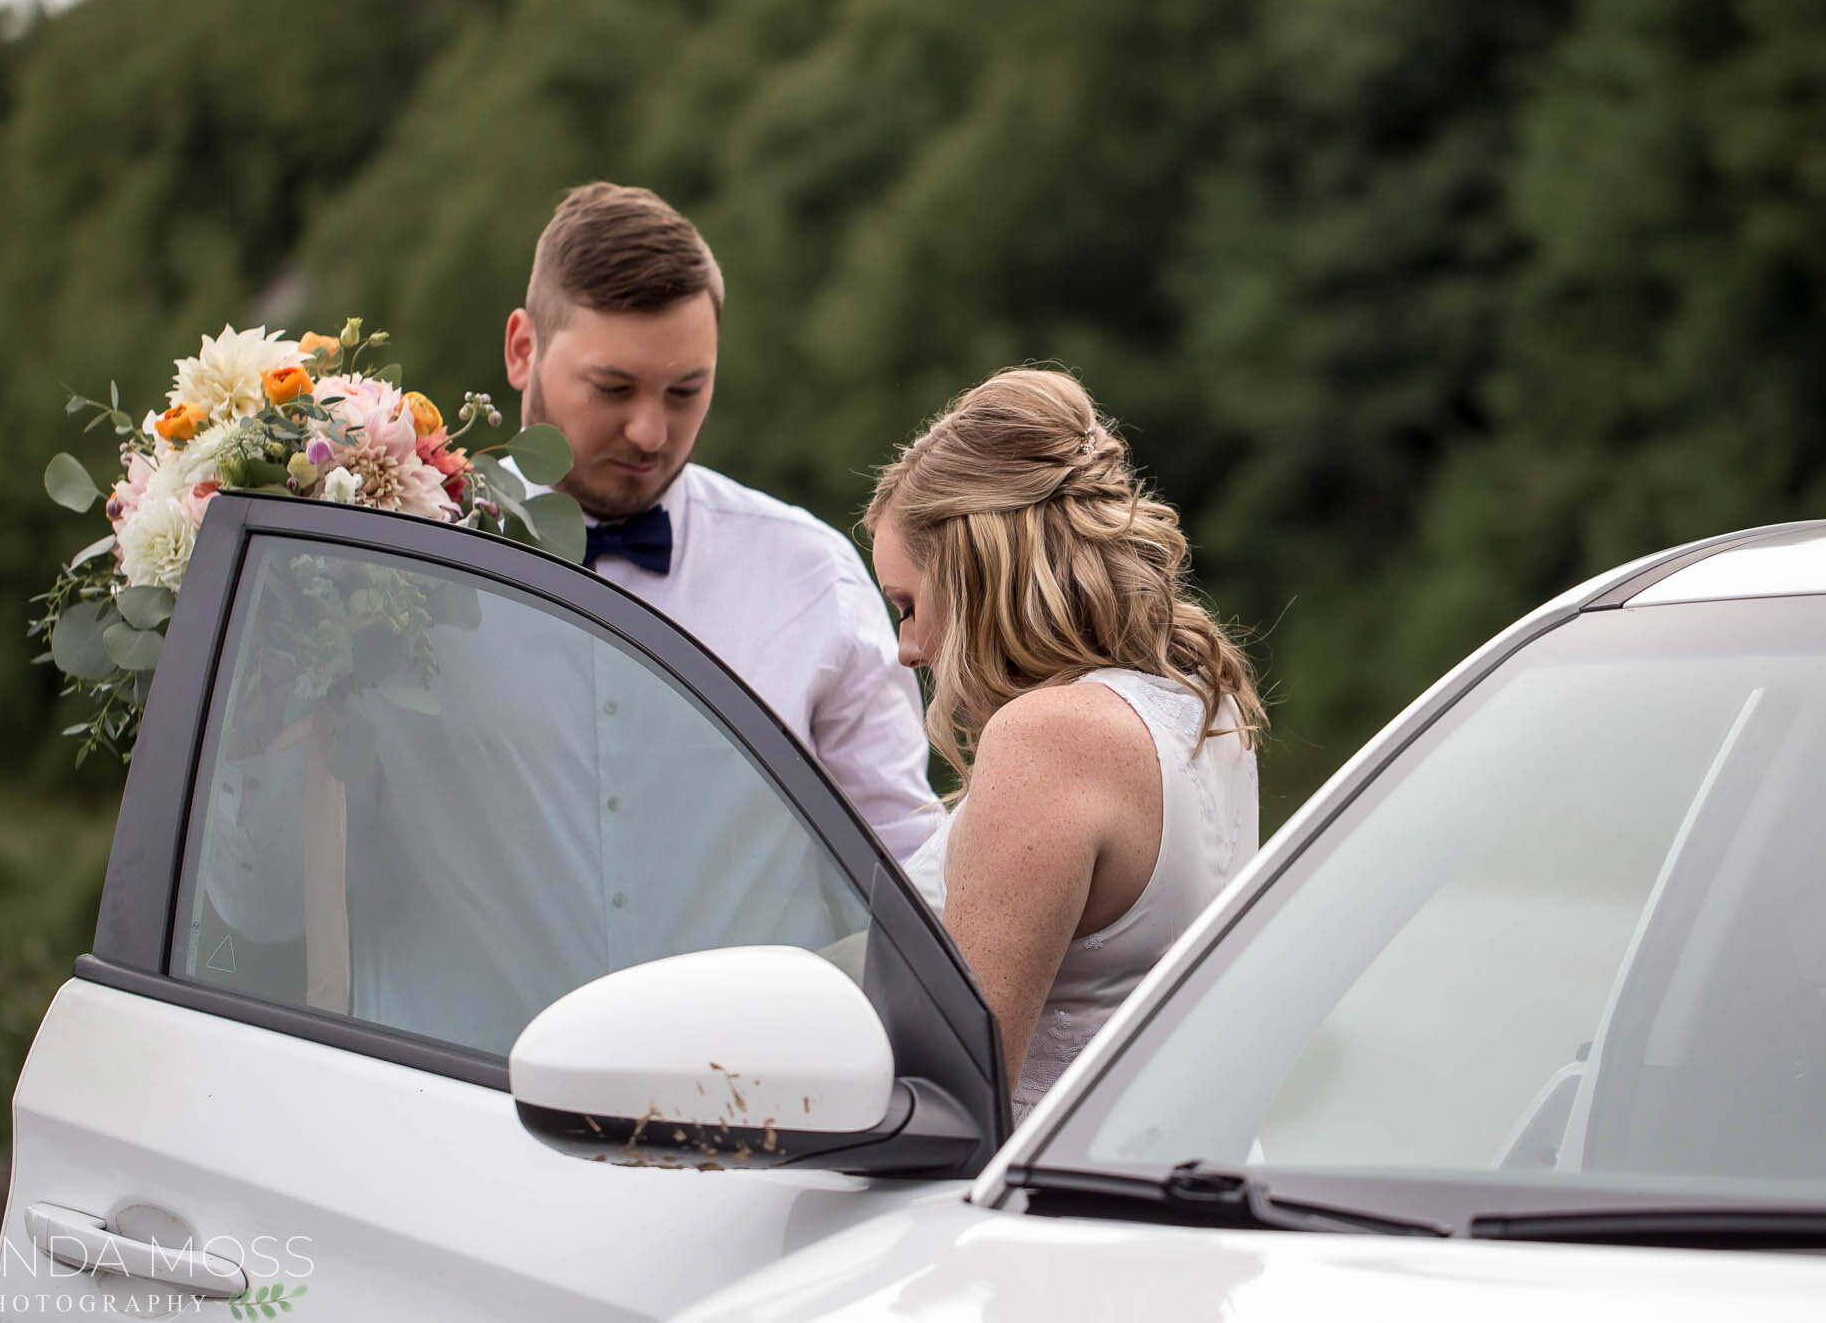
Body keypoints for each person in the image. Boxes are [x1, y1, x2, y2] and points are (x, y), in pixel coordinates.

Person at [865, 367, 1266, 1118]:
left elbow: (957, 1097)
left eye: (910, 605)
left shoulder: (1049, 738)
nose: (907, 648)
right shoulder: (1199, 708)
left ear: (975, 574)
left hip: (1039, 1213)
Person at [503, 182, 938, 859]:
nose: (650, 433)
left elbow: (906, 868)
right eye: (613, 388)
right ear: (522, 350)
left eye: (686, 390)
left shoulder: (814, 579)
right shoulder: (407, 554)